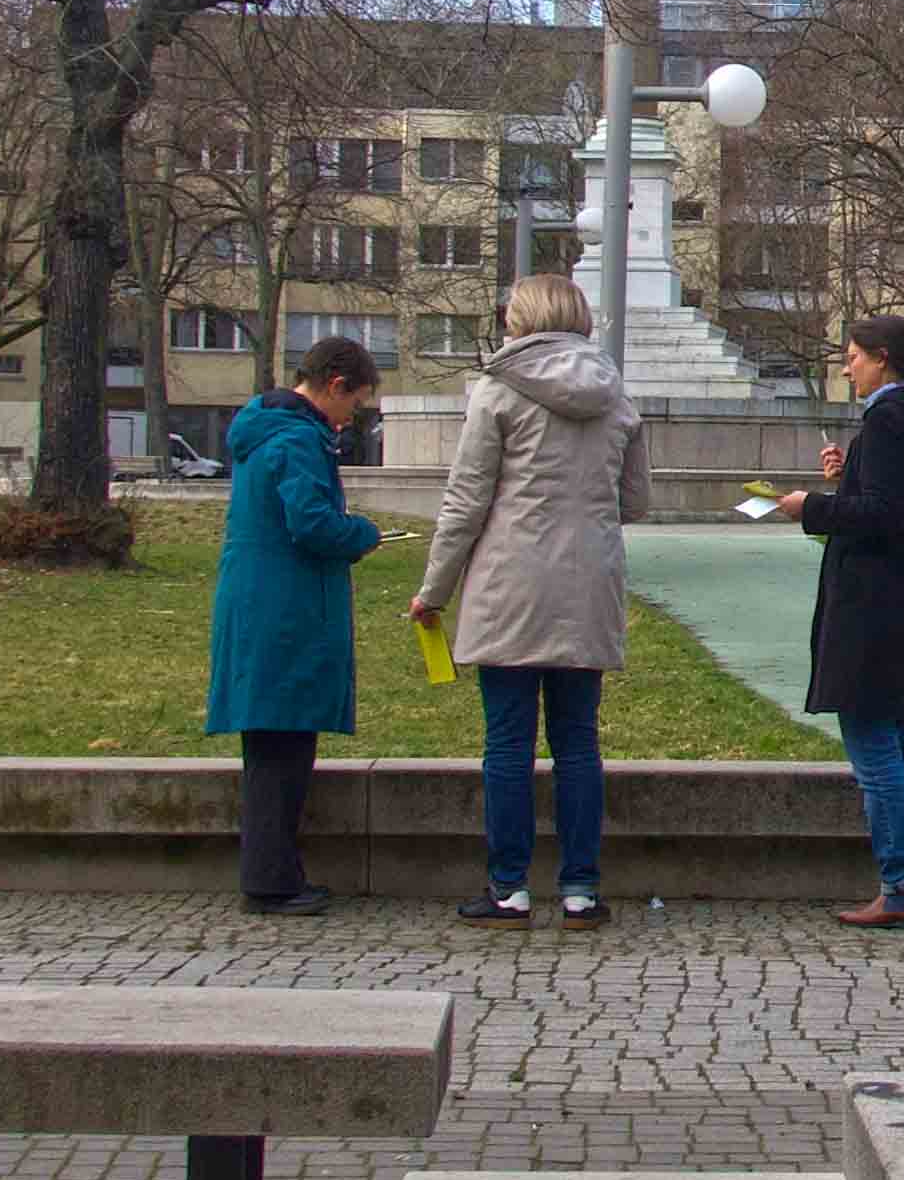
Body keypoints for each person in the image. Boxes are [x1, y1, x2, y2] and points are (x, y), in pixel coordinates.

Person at [408, 272, 650, 928]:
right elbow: (636, 502)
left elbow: (466, 502)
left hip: (510, 584)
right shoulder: (615, 396)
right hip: (588, 585)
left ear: (520, 319)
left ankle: (509, 886)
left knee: (509, 742)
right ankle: (581, 889)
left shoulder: (497, 392)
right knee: (578, 742)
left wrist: (434, 591)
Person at [784, 312, 904, 928]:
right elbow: (899, 503)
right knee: (899, 743)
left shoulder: (888, 420)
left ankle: (900, 883)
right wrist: (848, 479)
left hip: (874, 606)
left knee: (873, 749)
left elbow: (883, 514)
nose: (847, 369)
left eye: (853, 357)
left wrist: (811, 507)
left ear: (882, 357)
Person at [209, 335, 389, 919]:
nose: (350, 418)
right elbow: (311, 523)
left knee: (271, 745)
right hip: (284, 610)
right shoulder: (298, 440)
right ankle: (271, 882)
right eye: (354, 403)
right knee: (282, 749)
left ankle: (276, 874)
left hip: (258, 603)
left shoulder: (264, 430)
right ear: (335, 386)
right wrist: (362, 533)